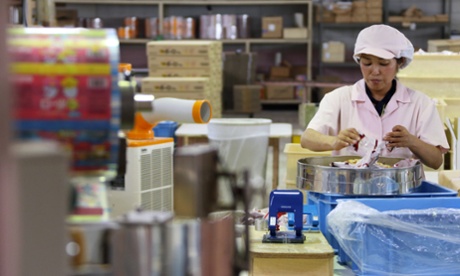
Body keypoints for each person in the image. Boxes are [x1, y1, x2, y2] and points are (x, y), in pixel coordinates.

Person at [301, 24, 449, 170]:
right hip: (350, 187)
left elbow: (436, 161)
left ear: (400, 62)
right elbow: (307, 138)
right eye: (367, 63)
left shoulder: (421, 104)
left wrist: (412, 142)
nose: (375, 71)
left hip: (400, 190)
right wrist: (334, 141)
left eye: (384, 64)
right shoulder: (338, 98)